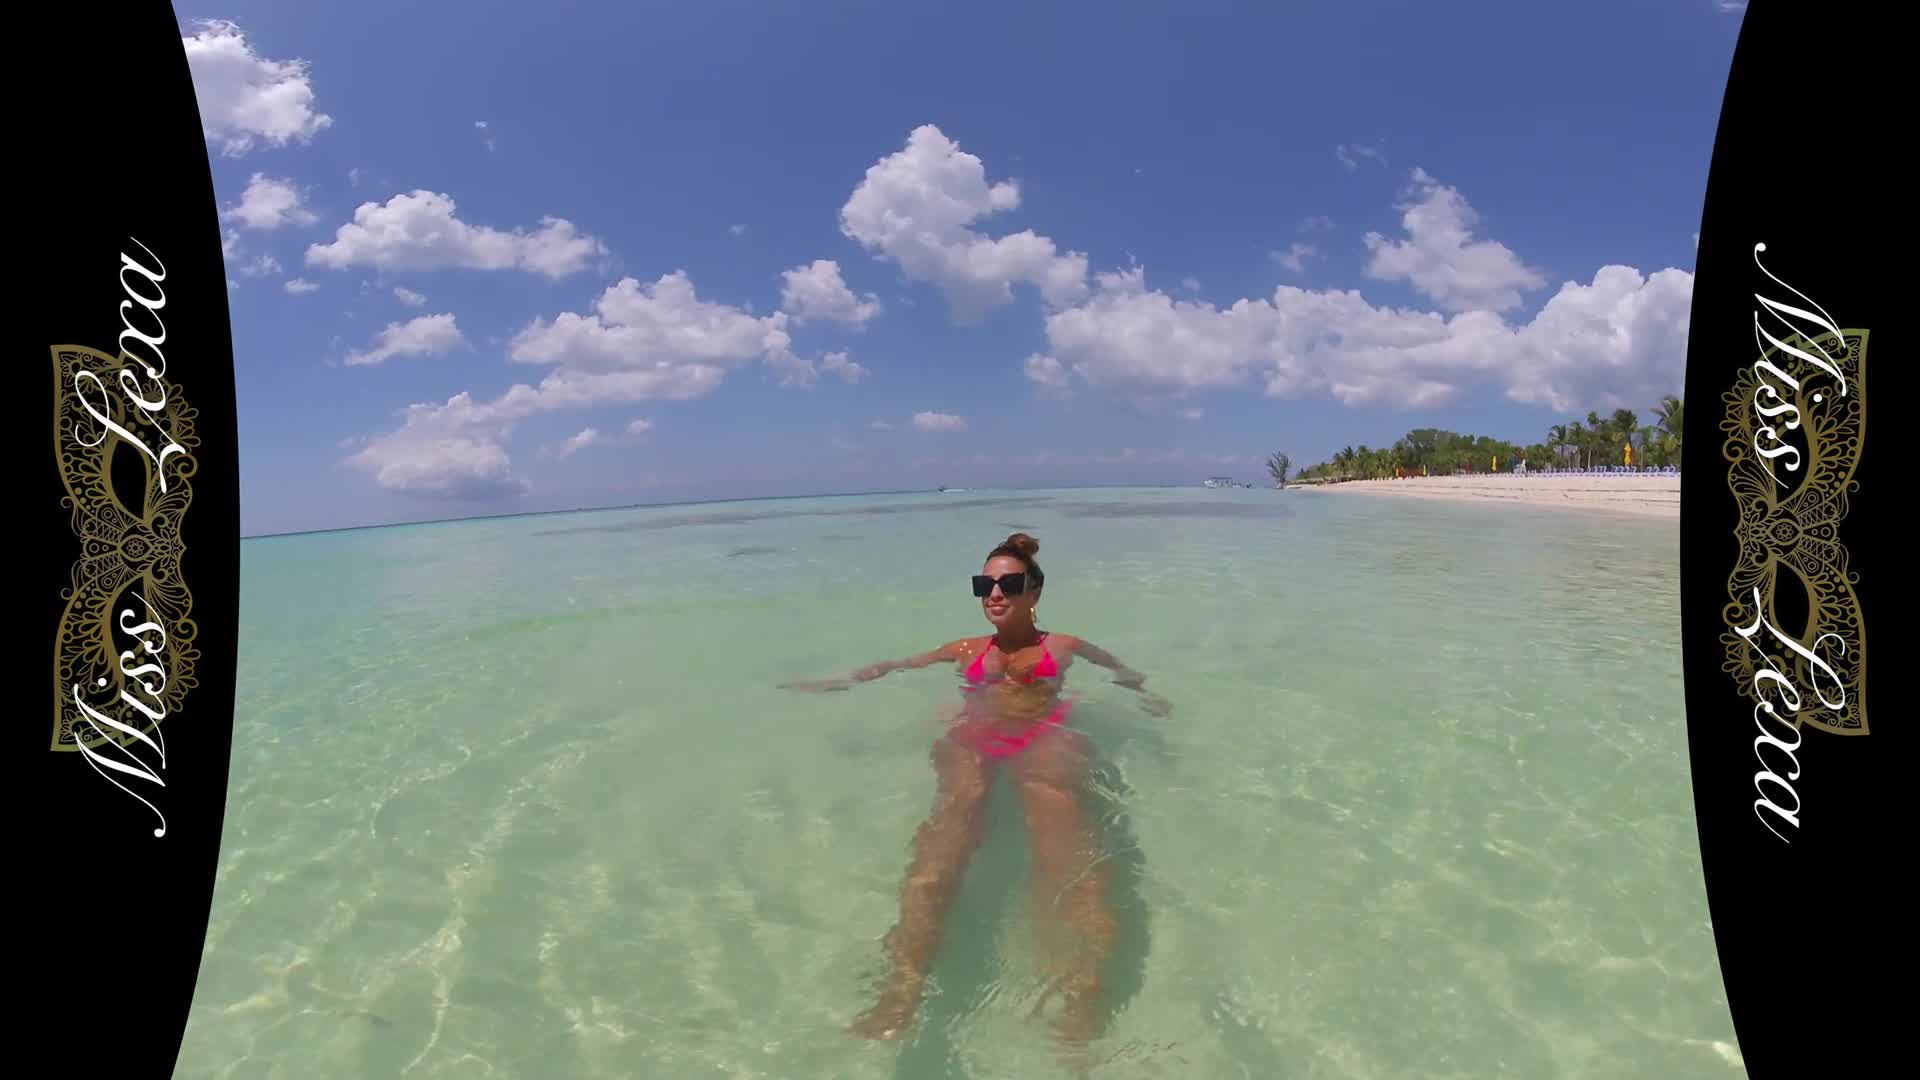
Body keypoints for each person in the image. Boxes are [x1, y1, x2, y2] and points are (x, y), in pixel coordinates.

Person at [780, 532, 1169, 1052]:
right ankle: (902, 993)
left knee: (1068, 855)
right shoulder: (963, 649)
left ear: (1035, 591)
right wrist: (838, 681)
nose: (995, 593)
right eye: (984, 585)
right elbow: (894, 666)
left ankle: (1083, 993)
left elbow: (1122, 671)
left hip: (1042, 736)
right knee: (941, 849)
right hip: (976, 740)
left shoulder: (1064, 646)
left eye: (1009, 583)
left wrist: (1147, 698)